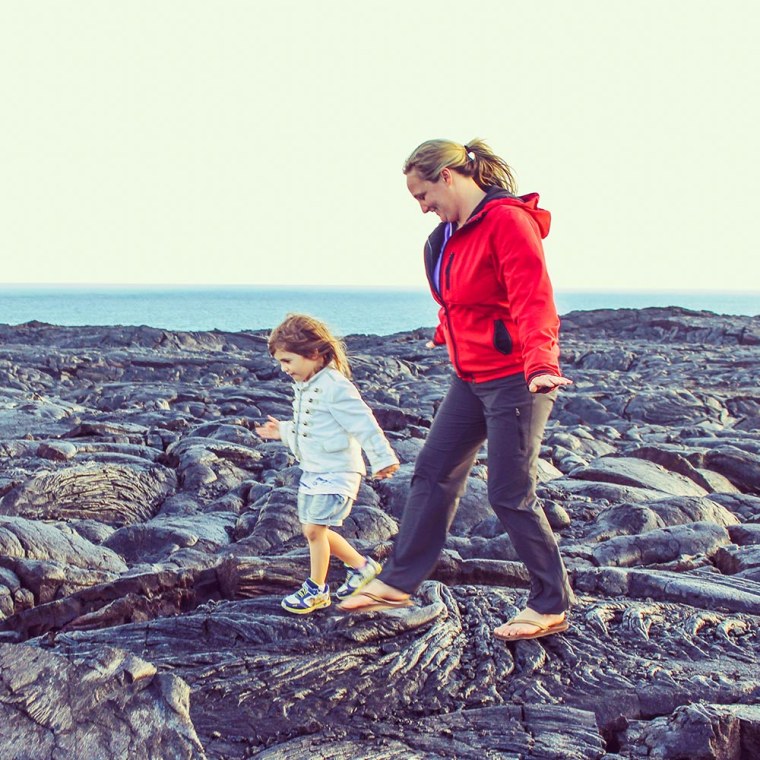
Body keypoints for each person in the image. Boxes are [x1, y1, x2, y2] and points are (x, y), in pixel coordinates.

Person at [339, 138, 575, 642]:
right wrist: (450, 337)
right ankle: (399, 582)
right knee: (432, 473)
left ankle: (551, 602)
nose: (421, 206)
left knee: (510, 494)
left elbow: (533, 299)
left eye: (422, 194)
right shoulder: (445, 236)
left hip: (518, 378)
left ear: (448, 176)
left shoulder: (508, 222)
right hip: (471, 377)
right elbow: (458, 302)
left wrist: (541, 363)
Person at [255, 313, 400, 614]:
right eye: (281, 362)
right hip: (315, 470)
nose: (284, 369)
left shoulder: (335, 386)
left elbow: (364, 424)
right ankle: (361, 567)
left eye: (287, 361)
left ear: (313, 354)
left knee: (313, 532)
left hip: (338, 472)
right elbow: (310, 428)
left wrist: (383, 458)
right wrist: (281, 431)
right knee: (315, 530)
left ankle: (316, 590)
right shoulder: (308, 384)